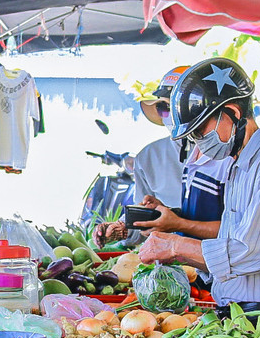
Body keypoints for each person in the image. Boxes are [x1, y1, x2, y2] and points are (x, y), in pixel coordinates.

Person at [137, 58, 260, 338]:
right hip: (242, 318)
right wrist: (178, 254)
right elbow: (233, 240)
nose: (197, 141)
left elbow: (252, 252)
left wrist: (175, 246)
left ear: (232, 114)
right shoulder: (241, 164)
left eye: (200, 129)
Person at [94, 66, 226, 246]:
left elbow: (238, 229)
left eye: (176, 106)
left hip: (218, 259)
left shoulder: (226, 153)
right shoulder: (148, 157)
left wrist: (178, 223)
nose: (171, 115)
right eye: (164, 107)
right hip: (168, 263)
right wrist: (122, 227)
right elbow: (144, 221)